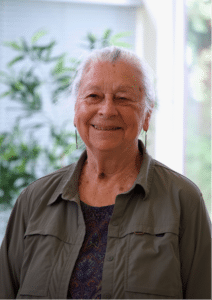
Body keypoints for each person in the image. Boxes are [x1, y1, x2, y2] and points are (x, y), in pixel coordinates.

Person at [0, 46, 211, 300]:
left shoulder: (183, 200)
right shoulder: (34, 200)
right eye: (93, 96)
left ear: (147, 114)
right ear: (76, 110)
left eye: (123, 98)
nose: (107, 110)